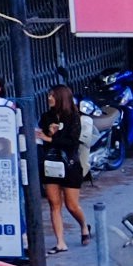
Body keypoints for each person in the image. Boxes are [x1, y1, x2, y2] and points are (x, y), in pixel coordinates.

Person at [34, 83, 89, 254]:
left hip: (70, 165)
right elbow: (40, 137)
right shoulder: (46, 116)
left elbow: (72, 143)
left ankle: (84, 227)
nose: (49, 98)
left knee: (71, 205)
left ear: (61, 98)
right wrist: (48, 134)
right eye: (49, 95)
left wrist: (51, 139)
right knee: (54, 203)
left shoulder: (73, 117)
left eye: (52, 95)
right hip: (50, 164)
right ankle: (60, 242)